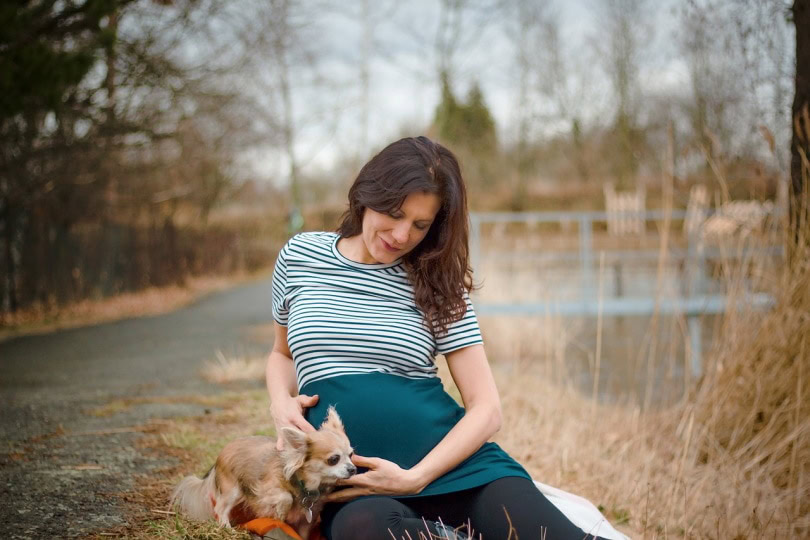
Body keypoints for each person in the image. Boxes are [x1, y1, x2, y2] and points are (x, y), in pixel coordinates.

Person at [266, 136, 610, 539]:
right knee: (367, 531)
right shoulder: (301, 256)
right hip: (356, 484)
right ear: (365, 194)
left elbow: (486, 408)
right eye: (393, 214)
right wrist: (279, 402)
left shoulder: (436, 279)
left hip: (458, 472)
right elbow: (282, 354)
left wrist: (415, 477)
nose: (400, 234)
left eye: (420, 225)